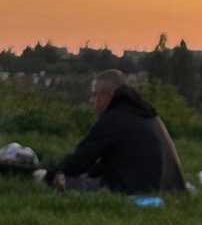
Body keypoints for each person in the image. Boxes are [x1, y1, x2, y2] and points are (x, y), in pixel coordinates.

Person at [46, 71, 185, 195]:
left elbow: (78, 163)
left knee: (61, 182)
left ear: (108, 95)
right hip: (168, 187)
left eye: (95, 95)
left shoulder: (113, 119)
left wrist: (54, 170)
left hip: (136, 189)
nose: (92, 100)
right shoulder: (145, 113)